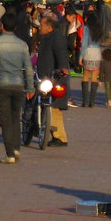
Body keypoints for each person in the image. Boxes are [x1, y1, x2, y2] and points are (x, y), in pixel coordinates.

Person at [0, 13, 34, 163]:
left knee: (5, 120)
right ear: (16, 27)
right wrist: (31, 87)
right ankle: (16, 149)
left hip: (1, 84)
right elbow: (28, 68)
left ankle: (10, 154)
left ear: (2, 26)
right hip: (18, 84)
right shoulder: (22, 45)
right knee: (15, 117)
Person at [36, 13, 71, 147]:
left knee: (54, 107)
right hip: (46, 78)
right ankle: (56, 135)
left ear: (50, 27)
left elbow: (61, 54)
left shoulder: (56, 38)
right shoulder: (47, 37)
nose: (40, 27)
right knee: (49, 107)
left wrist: (62, 68)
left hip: (55, 78)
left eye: (42, 25)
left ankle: (60, 137)